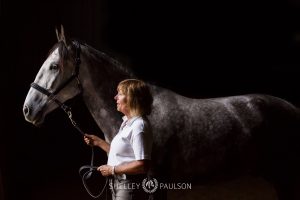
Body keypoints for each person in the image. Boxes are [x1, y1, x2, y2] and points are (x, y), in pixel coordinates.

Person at [84, 79, 153, 200]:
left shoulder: (139, 126)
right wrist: (98, 142)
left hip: (128, 186)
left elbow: (143, 165)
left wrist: (112, 170)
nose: (115, 97)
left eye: (120, 94)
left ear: (132, 98)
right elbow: (122, 155)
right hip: (119, 184)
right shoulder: (127, 123)